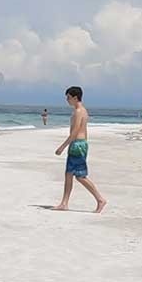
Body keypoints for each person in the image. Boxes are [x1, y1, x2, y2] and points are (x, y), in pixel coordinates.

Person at [52, 85, 106, 213]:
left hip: (78, 145)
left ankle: (100, 199)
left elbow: (75, 131)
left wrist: (62, 147)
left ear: (75, 97)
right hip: (78, 144)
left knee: (80, 176)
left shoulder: (79, 111)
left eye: (69, 97)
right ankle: (64, 203)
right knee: (69, 174)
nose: (67, 100)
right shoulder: (81, 110)